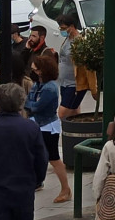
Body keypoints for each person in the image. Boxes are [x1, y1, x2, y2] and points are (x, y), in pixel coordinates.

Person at [0, 84, 47, 220]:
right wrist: (37, 181)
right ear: (21, 103)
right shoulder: (31, 128)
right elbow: (41, 159)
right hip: (23, 190)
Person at [25, 55, 71, 203]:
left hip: (48, 126)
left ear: (42, 71)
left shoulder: (49, 88)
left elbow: (36, 106)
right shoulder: (38, 84)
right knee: (36, 154)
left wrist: (31, 105)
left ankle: (66, 189)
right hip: (37, 124)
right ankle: (37, 182)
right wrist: (31, 105)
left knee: (53, 158)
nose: (33, 72)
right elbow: (29, 102)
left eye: (35, 69)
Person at [56, 14, 87, 120]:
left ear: (72, 26)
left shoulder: (79, 41)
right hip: (64, 82)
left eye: (64, 28)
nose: (62, 30)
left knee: (62, 113)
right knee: (74, 111)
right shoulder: (68, 39)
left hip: (73, 84)